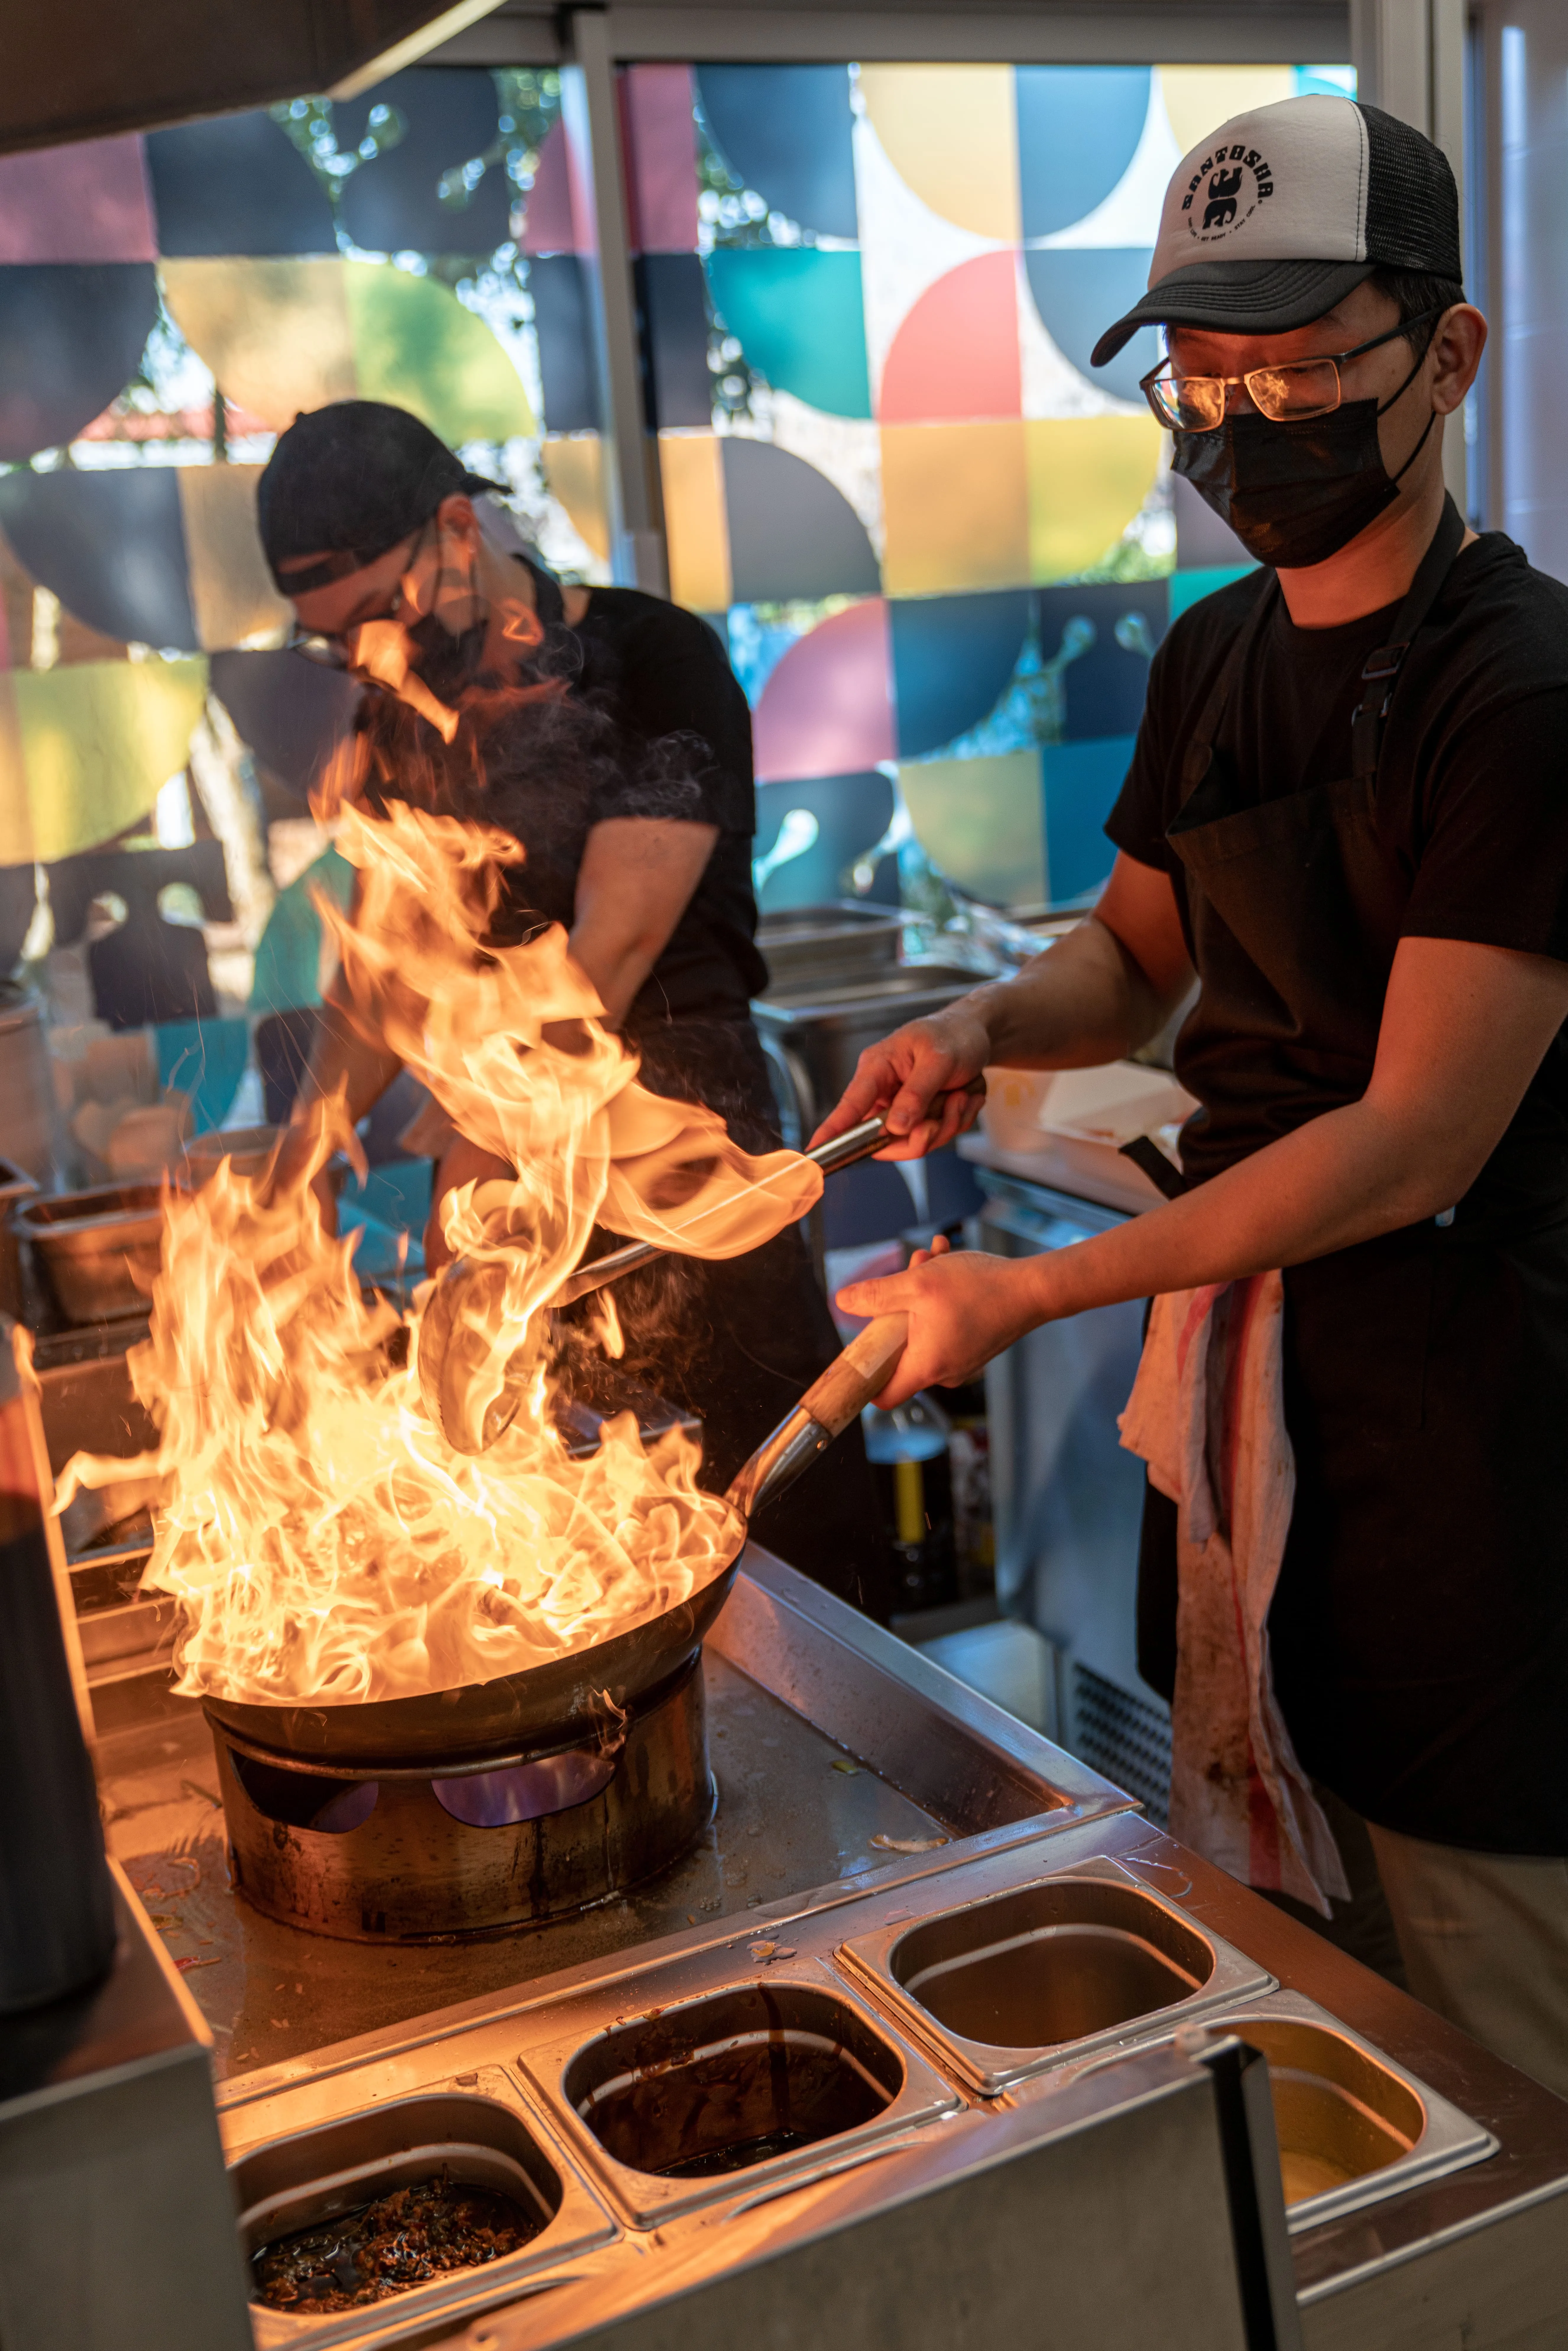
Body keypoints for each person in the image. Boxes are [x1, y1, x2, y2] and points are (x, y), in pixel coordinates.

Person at [815, 93, 1568, 2096]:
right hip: (1259, 1424)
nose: (1246, 420)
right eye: (1205, 374)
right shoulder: (1216, 653)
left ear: (1449, 352)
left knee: (1493, 2018)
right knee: (1299, 1986)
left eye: (1303, 362)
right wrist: (980, 1023)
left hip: (1476, 1449)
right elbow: (1134, 959)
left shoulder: (1526, 692)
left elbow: (1412, 1137)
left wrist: (1024, 1295)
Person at [254, 399, 890, 1618]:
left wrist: (481, 1174)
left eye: (378, 617)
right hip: (507, 1175)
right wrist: (301, 1157)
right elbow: (389, 956)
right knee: (558, 1565)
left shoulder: (660, 661)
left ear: (457, 528)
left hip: (679, 1156)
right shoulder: (402, 713)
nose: (371, 661)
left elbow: (612, 945)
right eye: (338, 647)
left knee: (780, 1560)